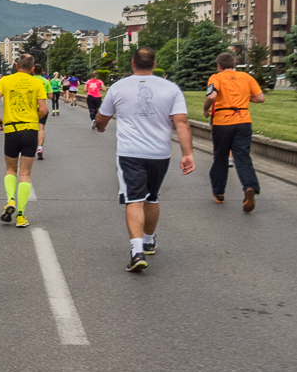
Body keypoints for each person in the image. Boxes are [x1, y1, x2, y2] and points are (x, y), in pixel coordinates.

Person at [95, 47, 194, 271]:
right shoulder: (171, 88)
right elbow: (181, 122)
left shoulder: (119, 87)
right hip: (160, 152)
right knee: (152, 197)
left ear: (132, 63)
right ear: (154, 63)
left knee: (134, 199)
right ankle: (148, 240)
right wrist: (187, 154)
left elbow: (103, 116)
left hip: (130, 152)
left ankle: (137, 251)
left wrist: (99, 125)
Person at [0, 54, 48, 227]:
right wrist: (32, 117)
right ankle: (21, 215)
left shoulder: (6, 81)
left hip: (12, 130)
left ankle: (10, 201)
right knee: (25, 174)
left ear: (16, 66)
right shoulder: (37, 82)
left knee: (10, 170)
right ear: (32, 69)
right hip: (30, 130)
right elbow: (44, 109)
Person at [204, 52, 265, 212]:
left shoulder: (216, 78)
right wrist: (245, 98)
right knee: (242, 156)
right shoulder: (246, 77)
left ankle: (219, 192)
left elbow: (212, 96)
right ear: (234, 64)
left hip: (223, 122)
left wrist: (206, 109)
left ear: (219, 66)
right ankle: (249, 186)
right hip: (243, 120)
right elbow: (260, 98)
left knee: (220, 156)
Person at [33, 64, 53, 160]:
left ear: (32, 71)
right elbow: (51, 96)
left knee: (30, 128)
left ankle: (29, 148)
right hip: (42, 107)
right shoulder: (46, 81)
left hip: (31, 108)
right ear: (42, 71)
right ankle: (40, 148)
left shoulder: (30, 80)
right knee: (41, 128)